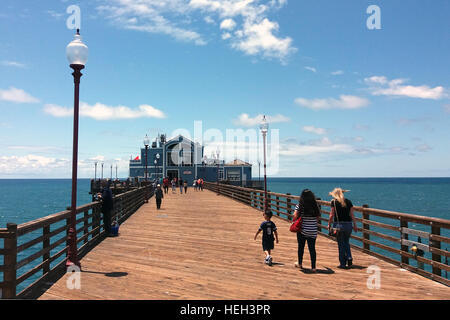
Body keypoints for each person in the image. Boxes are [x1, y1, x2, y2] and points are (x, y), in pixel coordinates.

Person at [328, 188, 358, 269]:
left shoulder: (333, 202)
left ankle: (342, 263)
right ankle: (349, 258)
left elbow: (331, 215)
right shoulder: (348, 201)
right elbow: (352, 215)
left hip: (338, 225)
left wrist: (329, 224)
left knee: (341, 244)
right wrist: (355, 225)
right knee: (346, 242)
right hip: (348, 225)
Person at [293, 189, 320, 272]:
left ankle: (300, 263)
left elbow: (295, 216)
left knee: (301, 247)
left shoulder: (300, 205)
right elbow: (318, 218)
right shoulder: (315, 206)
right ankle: (313, 267)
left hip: (302, 230)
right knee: (312, 249)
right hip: (313, 230)